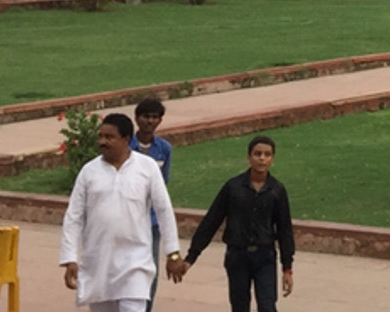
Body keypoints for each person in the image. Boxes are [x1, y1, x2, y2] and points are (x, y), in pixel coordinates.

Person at [60, 113, 180, 312]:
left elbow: (163, 210)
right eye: (101, 137)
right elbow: (73, 216)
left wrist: (173, 253)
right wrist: (69, 258)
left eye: (109, 137)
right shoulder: (89, 171)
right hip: (99, 263)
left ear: (126, 139)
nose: (102, 142)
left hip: (135, 263)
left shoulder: (147, 167)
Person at [171, 135, 294, 312]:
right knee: (239, 306)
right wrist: (192, 257)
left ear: (272, 159)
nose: (262, 158)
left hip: (264, 256)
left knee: (267, 306)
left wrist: (287, 268)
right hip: (237, 256)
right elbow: (211, 221)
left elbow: (284, 230)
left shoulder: (277, 190)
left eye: (267, 154)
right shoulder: (233, 187)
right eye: (257, 153)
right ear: (248, 157)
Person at [131, 98, 172, 312]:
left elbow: (162, 184)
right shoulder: (125, 145)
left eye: (155, 117)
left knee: (151, 271)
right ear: (137, 118)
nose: (150, 121)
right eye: (146, 116)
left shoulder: (163, 148)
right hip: (128, 218)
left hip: (152, 222)